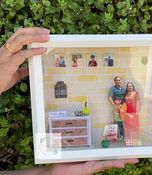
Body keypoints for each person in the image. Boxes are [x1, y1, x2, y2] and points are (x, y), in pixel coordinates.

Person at [0, 27, 138, 175]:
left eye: (120, 80)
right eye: (117, 80)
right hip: (117, 108)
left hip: (125, 110)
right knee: (117, 123)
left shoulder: (126, 89)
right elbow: (110, 97)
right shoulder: (113, 88)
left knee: (123, 125)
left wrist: (49, 172)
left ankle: (123, 137)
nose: (119, 81)